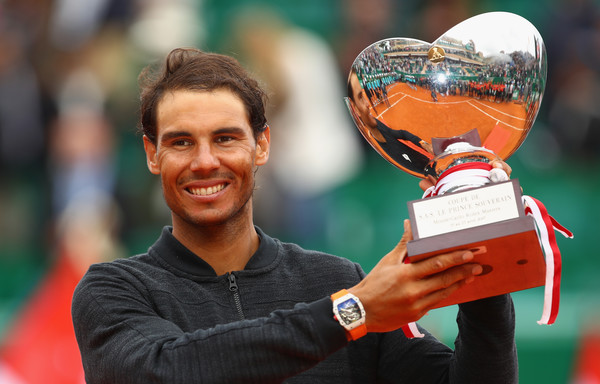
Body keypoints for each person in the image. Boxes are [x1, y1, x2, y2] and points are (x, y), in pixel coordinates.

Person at [71, 47, 517, 383]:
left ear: (262, 144)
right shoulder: (112, 291)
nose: (204, 161)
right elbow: (165, 371)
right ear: (153, 153)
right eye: (181, 142)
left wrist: (481, 251)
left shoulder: (338, 279)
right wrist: (353, 311)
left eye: (226, 138)